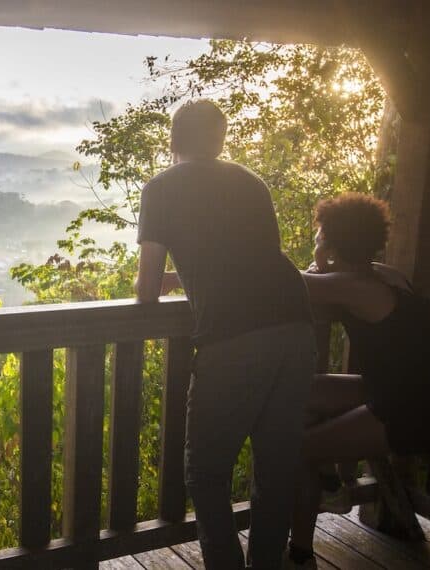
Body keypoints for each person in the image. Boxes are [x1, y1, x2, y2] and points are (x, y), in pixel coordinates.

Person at [135, 100, 315, 570]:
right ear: (219, 139)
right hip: (295, 324)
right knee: (275, 468)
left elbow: (146, 291)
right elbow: (249, 258)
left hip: (235, 338)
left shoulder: (160, 188)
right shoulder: (249, 181)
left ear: (173, 140)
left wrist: (161, 282)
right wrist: (188, 277)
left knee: (206, 471)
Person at [285, 193, 430, 569]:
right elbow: (319, 280)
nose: (315, 238)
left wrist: (319, 263)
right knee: (298, 394)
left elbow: (286, 282)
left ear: (333, 242)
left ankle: (300, 554)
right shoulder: (383, 274)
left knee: (297, 446)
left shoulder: (353, 286)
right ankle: (331, 483)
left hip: (414, 411)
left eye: (319, 234)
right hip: (410, 392)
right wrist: (322, 261)